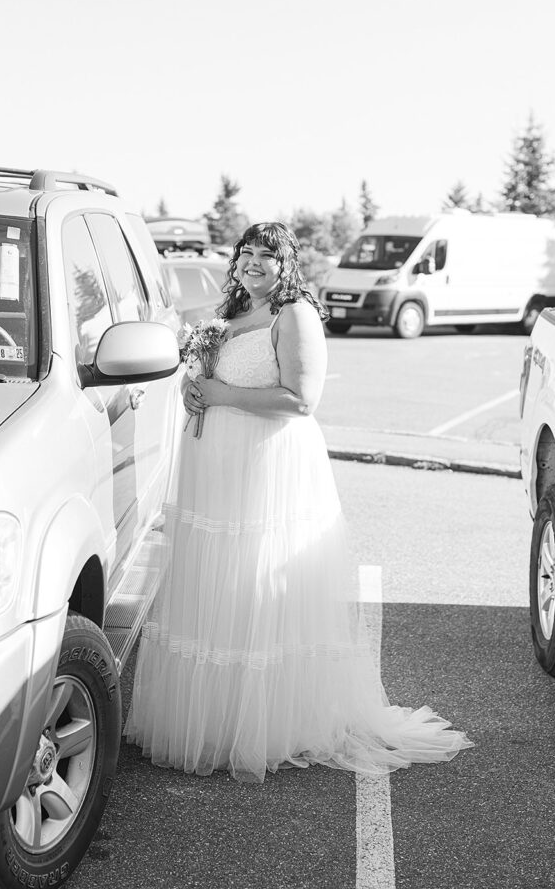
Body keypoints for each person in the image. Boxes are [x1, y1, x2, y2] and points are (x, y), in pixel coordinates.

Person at [125, 222, 472, 782]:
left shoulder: (294, 316)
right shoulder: (231, 316)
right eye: (247, 253)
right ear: (235, 262)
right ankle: (213, 719)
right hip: (215, 471)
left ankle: (264, 726)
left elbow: (301, 399)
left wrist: (220, 394)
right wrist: (193, 384)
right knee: (219, 588)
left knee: (256, 583)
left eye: (269, 255)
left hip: (264, 468)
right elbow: (208, 377)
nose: (254, 262)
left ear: (288, 265)